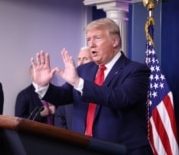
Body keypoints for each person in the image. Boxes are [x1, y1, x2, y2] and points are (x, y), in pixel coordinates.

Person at [30, 18, 153, 154]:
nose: (91, 44)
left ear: (115, 41)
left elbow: (119, 98)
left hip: (122, 150)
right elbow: (62, 96)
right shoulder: (84, 70)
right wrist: (43, 86)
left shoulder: (136, 70)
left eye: (97, 38)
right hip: (84, 148)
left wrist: (78, 83)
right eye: (88, 40)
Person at [55, 46, 92, 129]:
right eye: (79, 59)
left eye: (85, 59)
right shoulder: (70, 86)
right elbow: (60, 116)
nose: (81, 63)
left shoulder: (99, 86)